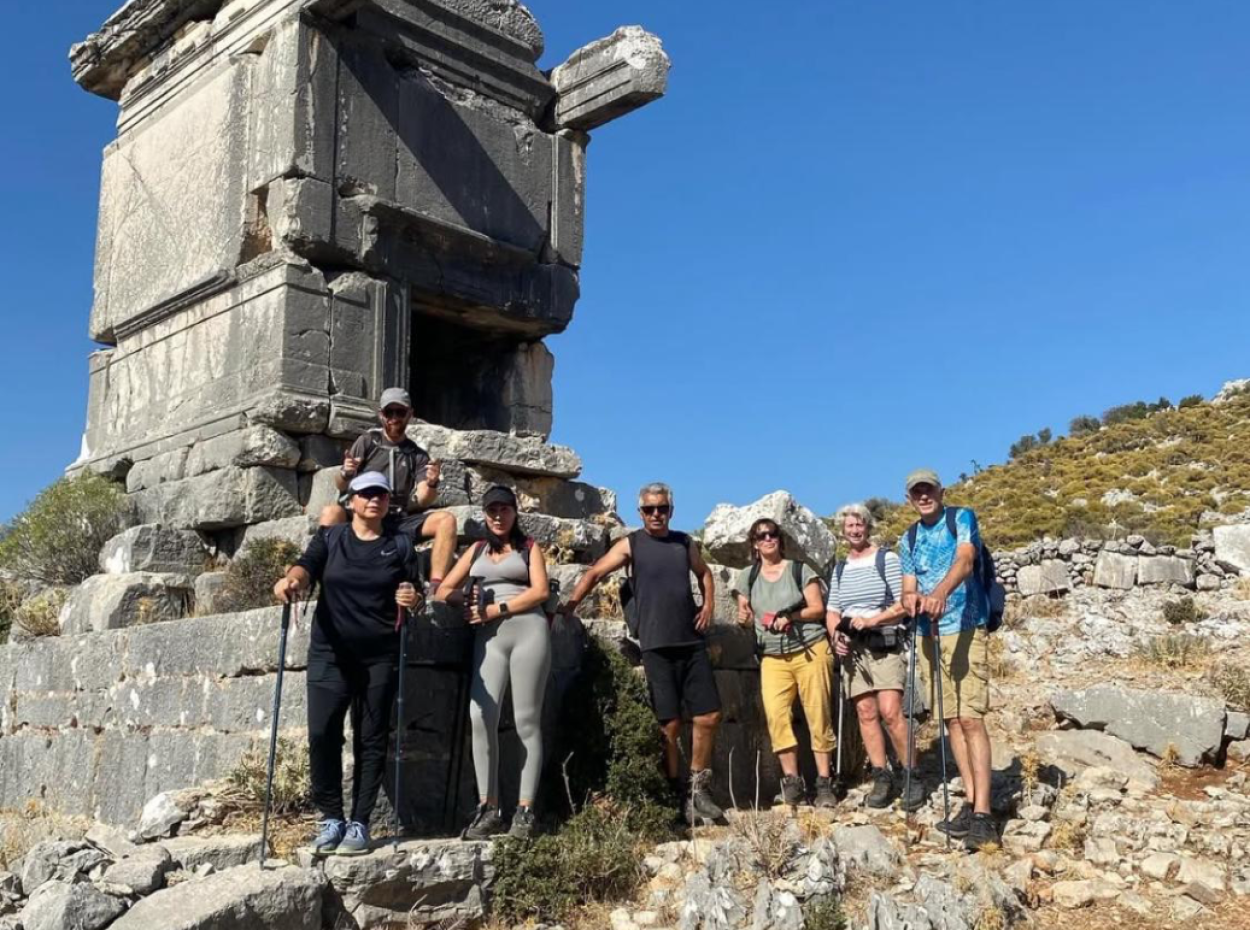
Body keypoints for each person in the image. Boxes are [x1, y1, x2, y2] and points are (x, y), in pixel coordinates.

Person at [273, 471, 423, 856]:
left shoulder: (401, 545)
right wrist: (292, 580)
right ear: (351, 501)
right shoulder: (332, 537)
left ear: (388, 503)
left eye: (382, 494)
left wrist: (412, 597)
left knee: (370, 739)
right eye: (366, 493)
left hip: (379, 655)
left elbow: (414, 591)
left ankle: (360, 822)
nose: (375, 499)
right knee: (322, 734)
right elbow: (305, 565)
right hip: (330, 652)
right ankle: (330, 817)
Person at [560, 482, 724, 825]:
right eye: (649, 510)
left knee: (708, 716)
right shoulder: (631, 544)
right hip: (655, 645)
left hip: (690, 641)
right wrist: (569, 608)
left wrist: (708, 604)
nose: (656, 515)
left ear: (671, 511)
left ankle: (699, 790)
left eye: (661, 509)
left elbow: (705, 573)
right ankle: (674, 793)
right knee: (670, 724)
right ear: (640, 513)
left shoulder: (684, 542)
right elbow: (594, 572)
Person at [434, 486, 552, 841]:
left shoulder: (529, 547)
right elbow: (441, 590)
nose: (498, 516)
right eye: (491, 511)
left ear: (515, 512)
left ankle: (526, 809)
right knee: (480, 716)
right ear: (484, 514)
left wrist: (495, 608)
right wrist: (463, 600)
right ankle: (489, 807)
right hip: (488, 639)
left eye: (504, 509)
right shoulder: (477, 549)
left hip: (527, 630)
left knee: (526, 720)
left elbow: (540, 591)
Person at [898, 468, 995, 851]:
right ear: (910, 499)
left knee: (971, 716)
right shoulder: (908, 538)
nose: (923, 496)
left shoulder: (961, 518)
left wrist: (938, 592)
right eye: (916, 492)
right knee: (950, 719)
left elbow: (966, 560)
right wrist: (913, 600)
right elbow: (908, 586)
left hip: (966, 625)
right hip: (929, 633)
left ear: (941, 491)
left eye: (929, 490)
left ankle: (985, 813)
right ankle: (971, 803)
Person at [731, 518, 836, 808]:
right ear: (754, 543)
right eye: (761, 536)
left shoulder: (800, 570)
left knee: (819, 714)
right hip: (772, 656)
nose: (768, 539)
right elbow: (744, 613)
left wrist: (791, 616)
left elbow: (817, 608)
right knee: (777, 717)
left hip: (809, 651)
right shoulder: (747, 577)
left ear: (780, 539)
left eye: (772, 534)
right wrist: (743, 619)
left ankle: (824, 783)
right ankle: (793, 782)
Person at [827, 504, 924, 811]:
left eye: (859, 525)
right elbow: (833, 610)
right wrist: (836, 636)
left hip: (884, 644)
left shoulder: (888, 560)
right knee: (866, 713)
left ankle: (912, 775)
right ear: (842, 531)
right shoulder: (840, 568)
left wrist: (872, 621)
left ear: (868, 527)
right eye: (849, 526)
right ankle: (882, 776)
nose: (854, 531)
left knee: (891, 711)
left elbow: (903, 604)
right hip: (854, 651)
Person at [320, 387, 457, 585]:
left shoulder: (417, 455)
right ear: (380, 415)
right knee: (331, 513)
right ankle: (325, 576)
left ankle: (437, 585)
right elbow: (341, 484)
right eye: (388, 412)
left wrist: (432, 482)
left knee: (446, 520)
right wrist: (346, 472)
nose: (394, 418)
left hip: (397, 520)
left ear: (410, 414)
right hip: (363, 515)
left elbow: (423, 498)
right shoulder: (367, 442)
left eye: (400, 412)